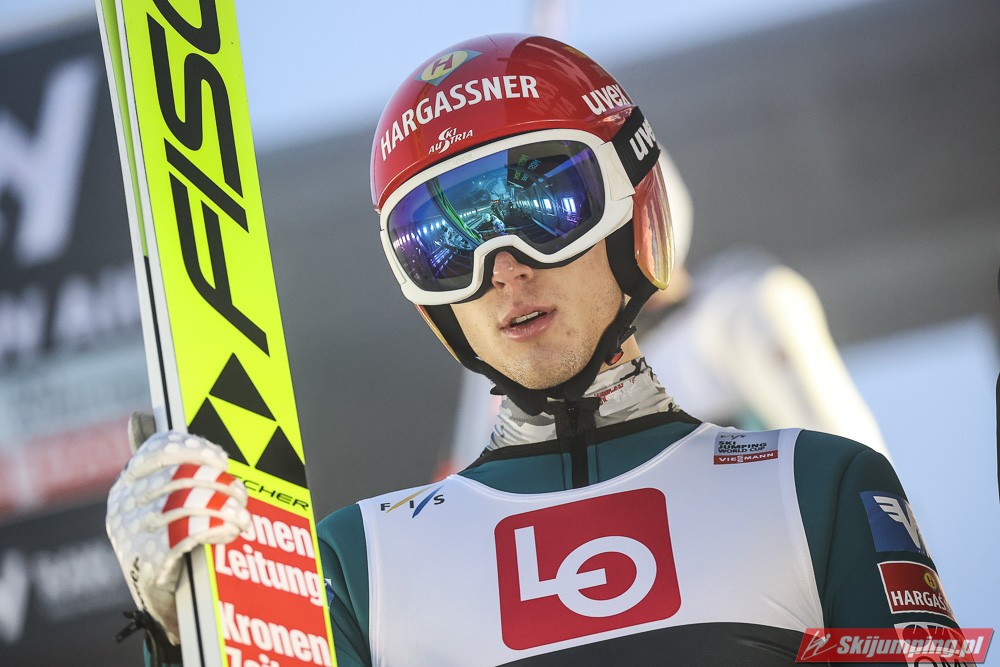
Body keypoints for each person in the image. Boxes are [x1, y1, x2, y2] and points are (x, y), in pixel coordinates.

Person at [107, 34, 962, 666]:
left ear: (633, 213)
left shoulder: (817, 489)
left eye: (549, 208)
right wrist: (188, 632)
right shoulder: (357, 562)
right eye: (443, 241)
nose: (504, 270)